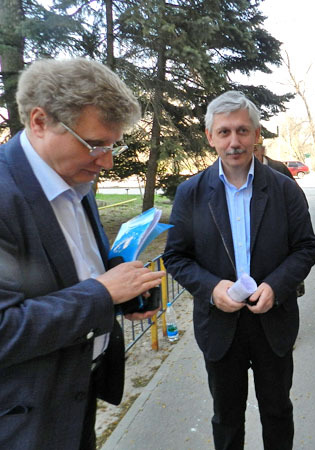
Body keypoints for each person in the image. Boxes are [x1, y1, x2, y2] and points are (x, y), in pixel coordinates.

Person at [0, 58, 165, 449]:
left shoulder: (74, 177)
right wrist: (103, 294)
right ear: (40, 121)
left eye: (113, 145)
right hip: (24, 423)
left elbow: (77, 267)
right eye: (95, 144)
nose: (107, 161)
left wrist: (126, 291)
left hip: (77, 399)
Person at [163, 90, 315, 450]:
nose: (234, 142)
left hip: (273, 322)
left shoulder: (284, 189)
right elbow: (176, 257)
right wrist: (211, 288)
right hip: (220, 326)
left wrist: (276, 286)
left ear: (256, 134)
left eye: (242, 131)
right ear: (210, 137)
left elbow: (306, 247)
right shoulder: (191, 193)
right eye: (224, 132)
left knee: (277, 412)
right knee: (226, 418)